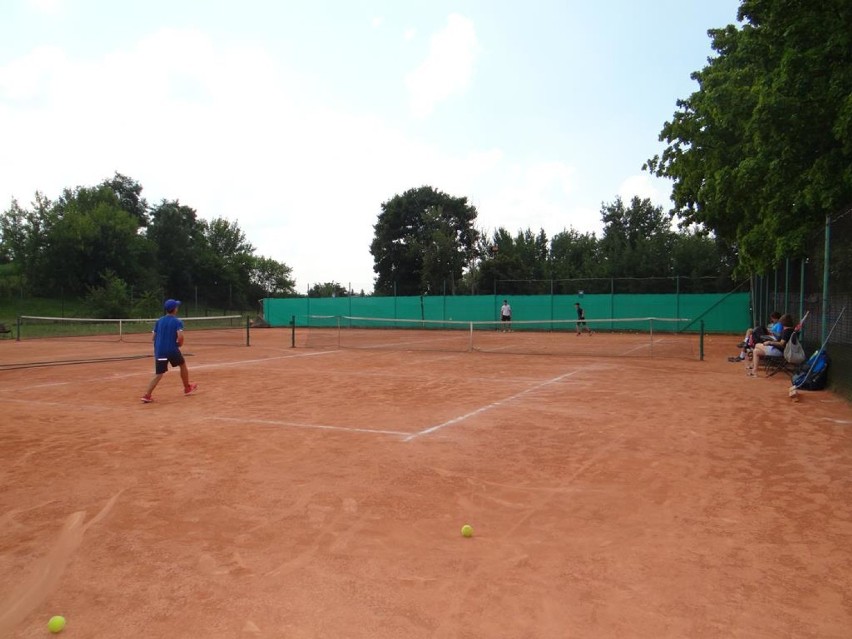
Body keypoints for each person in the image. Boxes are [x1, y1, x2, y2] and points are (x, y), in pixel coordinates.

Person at [141, 299, 198, 402]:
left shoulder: (159, 321)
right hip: (172, 349)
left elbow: (153, 337)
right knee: (182, 364)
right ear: (174, 309)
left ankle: (147, 395)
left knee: (159, 373)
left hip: (160, 350)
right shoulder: (177, 321)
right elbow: (180, 337)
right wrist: (179, 344)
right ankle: (187, 388)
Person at [746, 313, 795, 377]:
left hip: (780, 351)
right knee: (756, 351)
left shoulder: (786, 331)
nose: (781, 324)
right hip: (779, 349)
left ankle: (752, 367)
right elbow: (780, 341)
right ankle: (754, 372)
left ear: (784, 323)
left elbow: (781, 344)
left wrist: (770, 342)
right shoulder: (791, 330)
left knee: (757, 345)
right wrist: (773, 341)